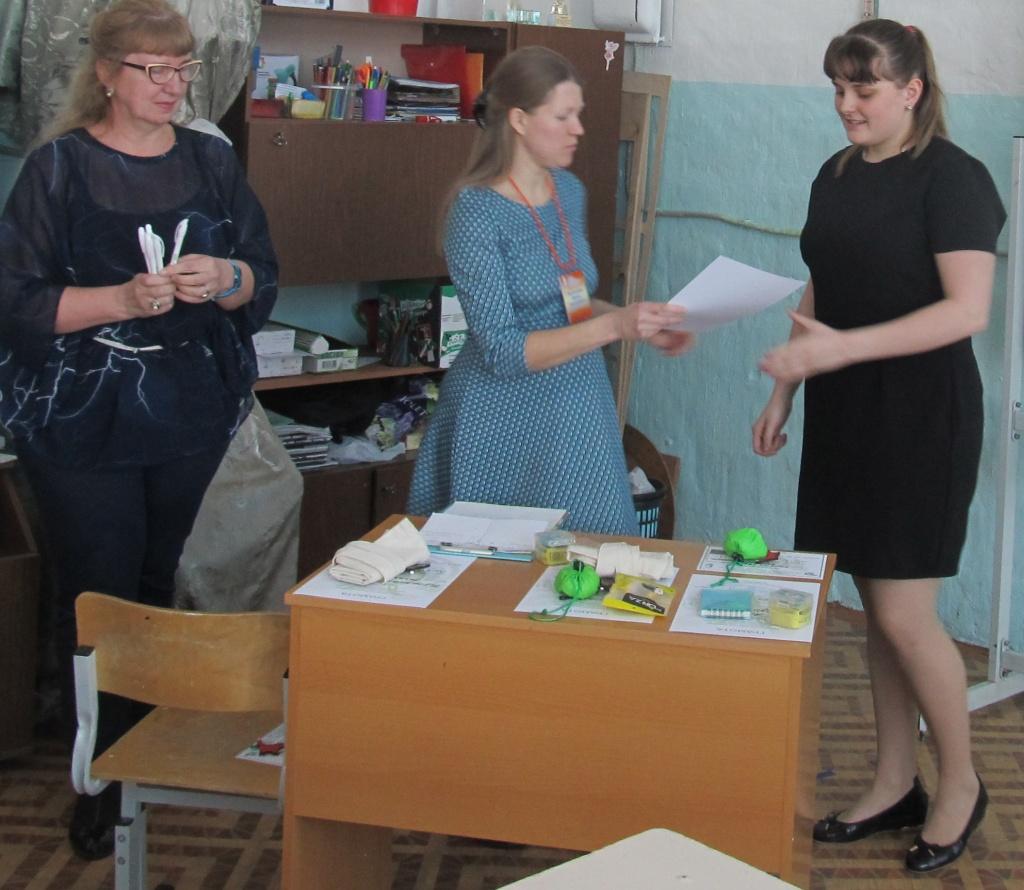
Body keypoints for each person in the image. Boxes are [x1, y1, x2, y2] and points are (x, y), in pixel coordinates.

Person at [0, 0, 277, 860]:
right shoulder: (58, 167)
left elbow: (261, 275)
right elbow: (20, 305)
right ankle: (98, 777)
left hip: (186, 411)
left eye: (182, 69)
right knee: (99, 591)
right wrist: (120, 299)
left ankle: (142, 756)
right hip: (81, 418)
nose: (172, 86)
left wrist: (223, 276)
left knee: (155, 583)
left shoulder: (209, 159)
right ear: (107, 74)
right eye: (154, 70)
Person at [752, 19, 1005, 874]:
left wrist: (840, 352)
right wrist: (785, 386)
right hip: (845, 409)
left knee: (904, 615)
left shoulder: (954, 178)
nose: (846, 105)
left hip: (921, 414)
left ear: (912, 91)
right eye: (838, 88)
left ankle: (961, 784)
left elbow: (966, 311)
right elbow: (823, 284)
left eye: (863, 89)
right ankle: (895, 782)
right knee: (874, 610)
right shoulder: (837, 173)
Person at [407, 46, 690, 535]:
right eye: (562, 116)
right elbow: (502, 350)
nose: (578, 129)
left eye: (578, 114)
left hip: (577, 408)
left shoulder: (568, 192)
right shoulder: (475, 212)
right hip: (501, 419)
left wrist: (638, 323)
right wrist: (614, 326)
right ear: (519, 120)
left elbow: (572, 303)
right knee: (498, 564)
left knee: (596, 552)